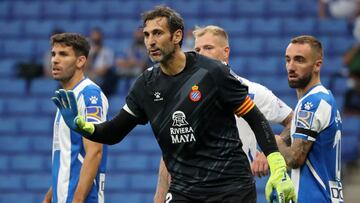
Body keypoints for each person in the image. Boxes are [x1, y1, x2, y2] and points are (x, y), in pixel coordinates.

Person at [52, 6, 295, 203]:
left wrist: (277, 166)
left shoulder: (212, 73)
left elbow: (254, 116)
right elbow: (115, 131)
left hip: (230, 188)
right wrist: (83, 126)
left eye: (157, 33)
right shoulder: (145, 85)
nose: (150, 42)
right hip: (184, 191)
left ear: (177, 36)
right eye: (146, 35)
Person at [153, 25, 294, 203]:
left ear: (226, 52)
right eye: (197, 49)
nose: (201, 54)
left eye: (208, 48)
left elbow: (293, 120)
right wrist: (159, 195)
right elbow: (171, 149)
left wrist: (271, 150)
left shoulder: (253, 92)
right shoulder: (183, 96)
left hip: (233, 189)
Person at [276, 35, 344, 202]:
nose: (291, 67)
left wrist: (274, 141)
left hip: (314, 197)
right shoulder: (325, 98)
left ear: (317, 65)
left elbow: (294, 158)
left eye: (299, 60)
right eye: (288, 59)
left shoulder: (311, 103)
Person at [42, 33, 108, 203]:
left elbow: (94, 152)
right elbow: (67, 157)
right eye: (53, 54)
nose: (55, 60)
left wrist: (77, 200)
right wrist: (49, 197)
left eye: (63, 54)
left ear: (80, 61)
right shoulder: (67, 98)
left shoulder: (89, 95)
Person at [87, 27, 116, 96]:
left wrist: (93, 73)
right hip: (89, 75)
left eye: (97, 39)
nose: (95, 41)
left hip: (102, 78)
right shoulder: (88, 52)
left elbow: (105, 70)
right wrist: (92, 55)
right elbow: (85, 67)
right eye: (94, 39)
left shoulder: (108, 51)